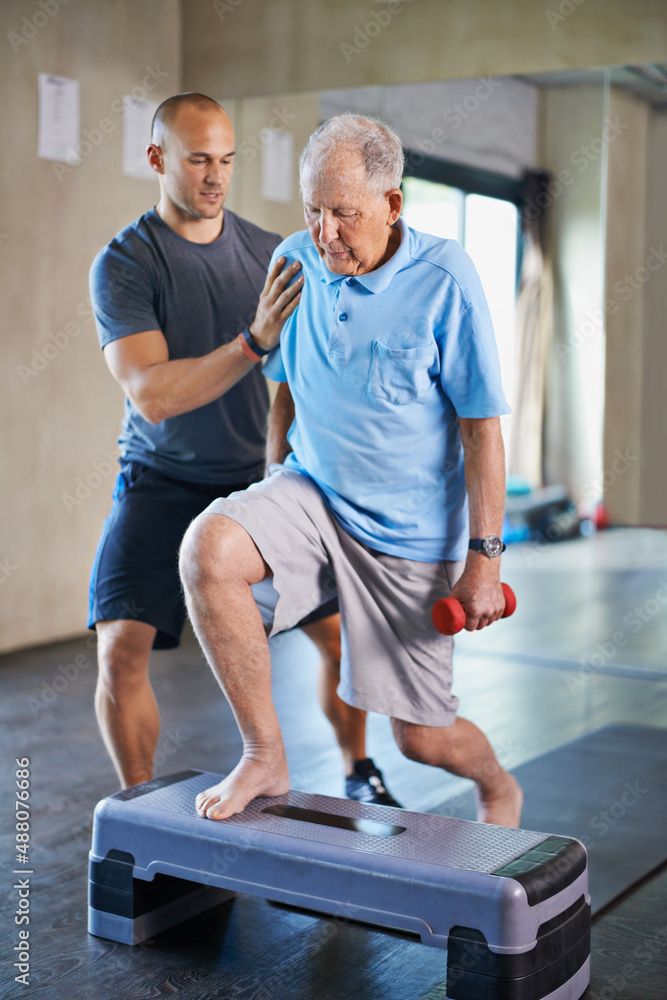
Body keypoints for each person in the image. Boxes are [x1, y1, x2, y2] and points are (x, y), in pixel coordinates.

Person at [179, 113, 523, 827]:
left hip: (407, 537)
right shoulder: (296, 260)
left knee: (420, 739)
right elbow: (284, 382)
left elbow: (480, 427)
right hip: (314, 497)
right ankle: (263, 755)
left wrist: (484, 560)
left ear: (392, 205)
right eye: (313, 211)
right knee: (208, 549)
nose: (325, 234)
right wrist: (274, 476)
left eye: (343, 214)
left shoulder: (443, 278)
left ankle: (497, 786)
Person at [88, 94, 399, 807]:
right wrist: (253, 341)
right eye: (197, 159)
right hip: (162, 478)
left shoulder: (274, 253)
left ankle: (359, 768)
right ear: (157, 159)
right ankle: (142, 816)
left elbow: (332, 353)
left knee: (340, 641)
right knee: (120, 649)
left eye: (226, 160)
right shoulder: (126, 263)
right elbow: (154, 395)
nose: (214, 176)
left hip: (260, 483)